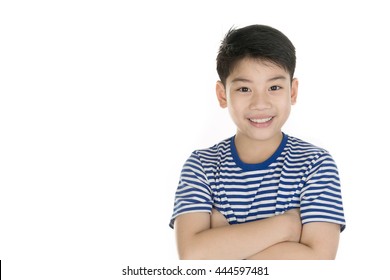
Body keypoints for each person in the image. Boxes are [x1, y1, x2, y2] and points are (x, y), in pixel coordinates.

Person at [169, 24, 346, 260]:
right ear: (223, 95)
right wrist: (286, 226)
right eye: (244, 88)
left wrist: (223, 243)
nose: (260, 103)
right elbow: (192, 257)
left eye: (274, 87)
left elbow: (318, 260)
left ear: (292, 92)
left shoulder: (315, 164)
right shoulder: (201, 166)